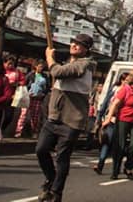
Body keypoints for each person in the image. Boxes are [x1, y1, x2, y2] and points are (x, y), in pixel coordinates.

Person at [35, 33, 96, 202]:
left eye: (80, 44)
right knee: (41, 150)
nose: (75, 45)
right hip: (54, 117)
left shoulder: (85, 65)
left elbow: (57, 72)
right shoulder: (68, 63)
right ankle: (51, 178)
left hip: (71, 120)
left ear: (86, 49)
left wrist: (49, 57)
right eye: (74, 42)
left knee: (62, 157)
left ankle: (56, 192)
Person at [106, 68, 133, 180]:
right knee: (120, 146)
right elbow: (115, 103)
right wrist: (109, 118)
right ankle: (115, 170)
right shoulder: (125, 89)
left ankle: (128, 167)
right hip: (123, 119)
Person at [17, 59, 49, 137]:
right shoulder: (30, 75)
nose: (41, 68)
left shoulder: (45, 76)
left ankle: (34, 131)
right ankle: (18, 131)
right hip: (28, 97)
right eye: (40, 66)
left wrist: (43, 94)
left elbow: (47, 86)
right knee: (23, 115)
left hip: (38, 98)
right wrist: (27, 92)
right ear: (36, 66)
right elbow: (24, 84)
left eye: (42, 67)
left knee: (35, 115)